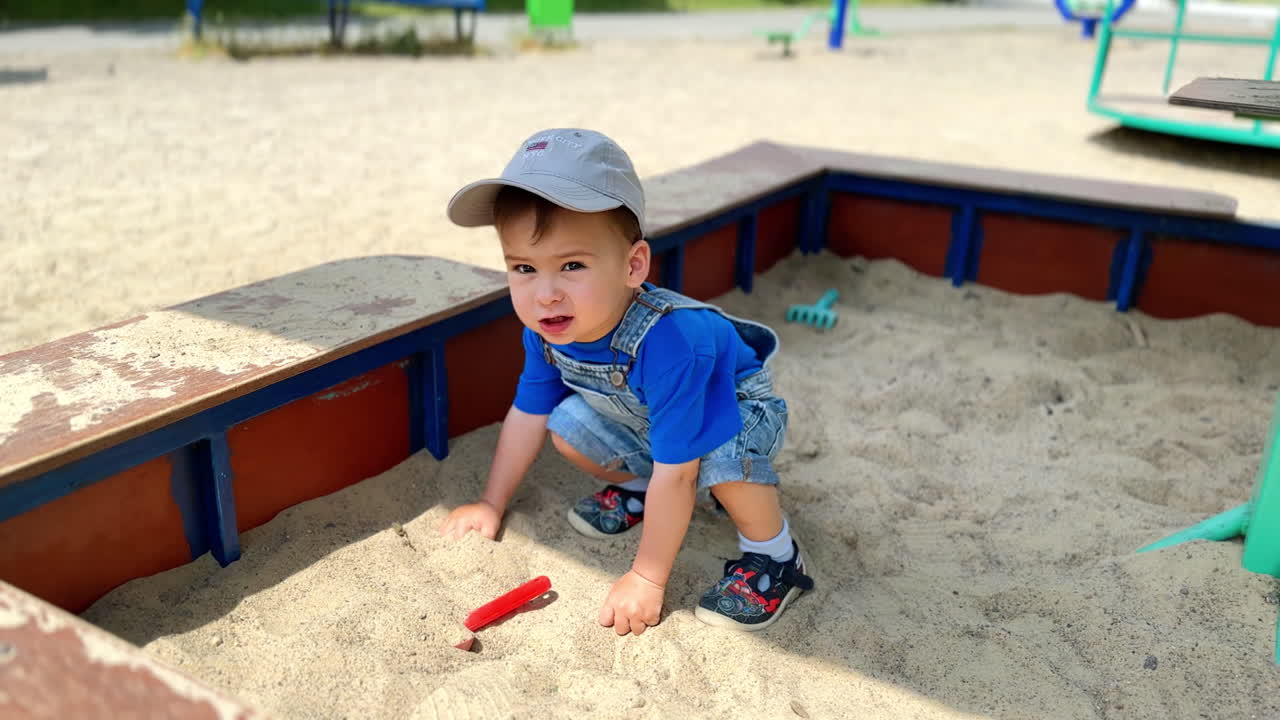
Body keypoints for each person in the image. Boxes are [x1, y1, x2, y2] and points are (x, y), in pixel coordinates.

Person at [437, 128, 813, 636]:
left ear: (633, 265)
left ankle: (777, 557)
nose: (545, 294)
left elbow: (680, 471)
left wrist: (646, 577)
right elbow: (526, 413)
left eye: (572, 265)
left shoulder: (673, 342)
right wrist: (491, 503)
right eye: (524, 267)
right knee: (565, 425)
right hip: (651, 426)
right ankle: (639, 489)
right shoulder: (550, 332)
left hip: (738, 413)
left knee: (722, 463)